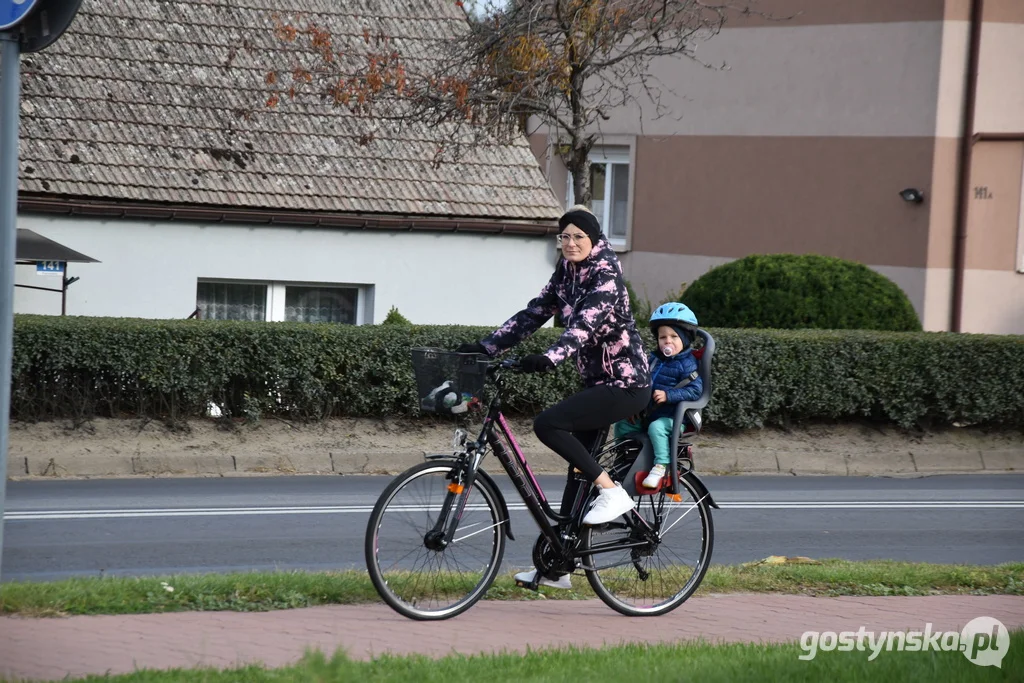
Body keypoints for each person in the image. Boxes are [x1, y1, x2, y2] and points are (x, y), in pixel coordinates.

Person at [456, 205, 651, 590]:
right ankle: (559, 565)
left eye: (579, 237)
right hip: (597, 384)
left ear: (594, 241)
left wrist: (550, 357)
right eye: (565, 237)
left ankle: (612, 494)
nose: (571, 243)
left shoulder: (607, 277)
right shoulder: (567, 271)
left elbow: (582, 328)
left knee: (548, 423)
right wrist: (486, 347)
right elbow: (536, 312)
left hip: (625, 384)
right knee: (578, 474)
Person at [612, 302, 704, 489]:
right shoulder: (654, 359)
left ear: (685, 340)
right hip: (649, 412)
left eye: (674, 337)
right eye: (663, 337)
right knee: (623, 423)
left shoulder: (687, 363)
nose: (667, 341)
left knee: (656, 428)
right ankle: (622, 459)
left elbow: (695, 390)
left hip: (673, 419)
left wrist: (669, 395)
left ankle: (660, 466)